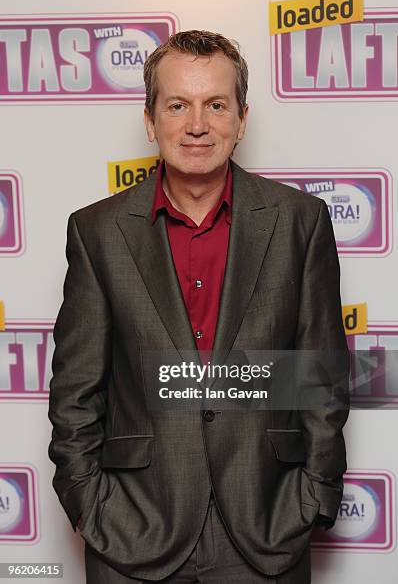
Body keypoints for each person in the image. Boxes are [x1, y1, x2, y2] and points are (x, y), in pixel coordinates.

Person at [48, 30, 349, 583]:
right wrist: (89, 503)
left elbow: (319, 379)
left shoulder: (299, 222)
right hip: (133, 526)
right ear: (149, 120)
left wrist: (312, 500)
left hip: (266, 526)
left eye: (215, 104)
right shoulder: (96, 231)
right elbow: (75, 393)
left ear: (242, 117)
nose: (196, 125)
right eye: (177, 105)